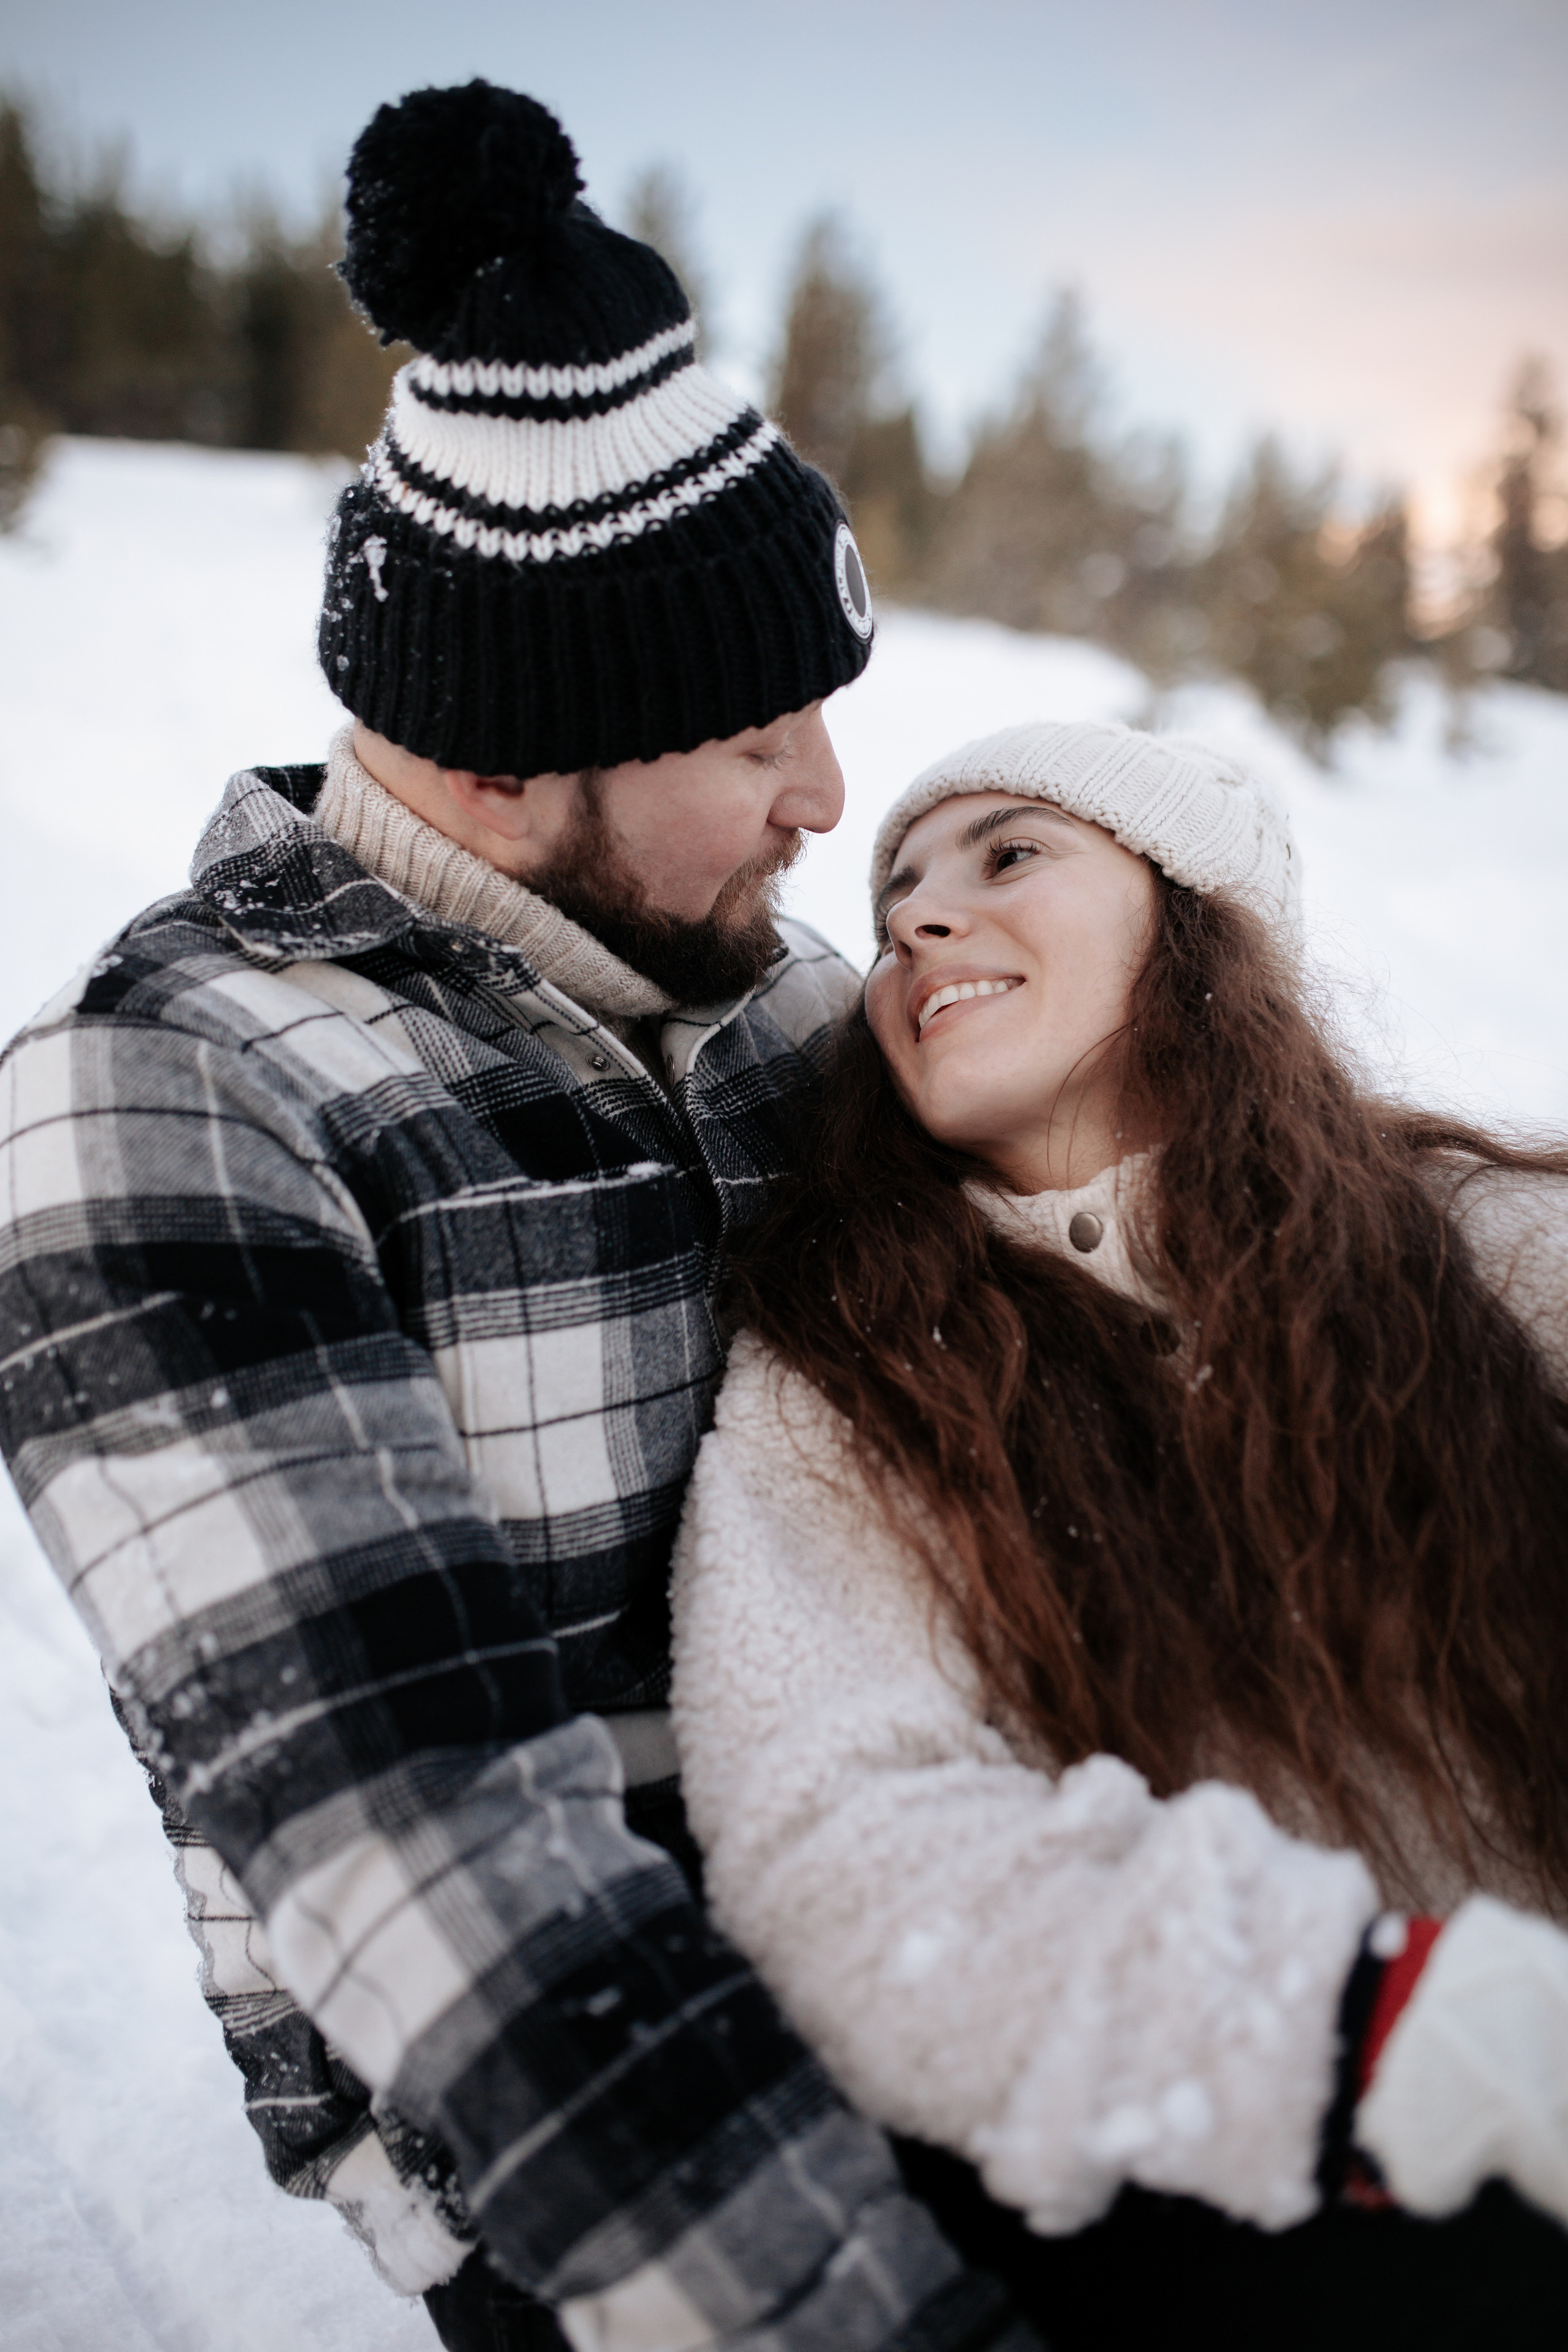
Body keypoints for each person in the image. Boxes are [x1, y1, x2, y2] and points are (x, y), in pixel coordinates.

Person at [0, 81, 1038, 2352]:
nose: (828, 793)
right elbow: (429, 1855)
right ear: (493, 761)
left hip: (985, 1962)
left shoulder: (787, 1010)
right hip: (606, 2187)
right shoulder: (168, 1099)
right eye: (752, 734)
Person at [671, 719, 1568, 2350]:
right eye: (894, 905)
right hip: (1269, 2230)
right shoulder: (854, 1373)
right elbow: (842, 1848)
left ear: (1196, 916)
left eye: (1011, 854)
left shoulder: (1482, 1246)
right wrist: (1391, 2029)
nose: (916, 920)